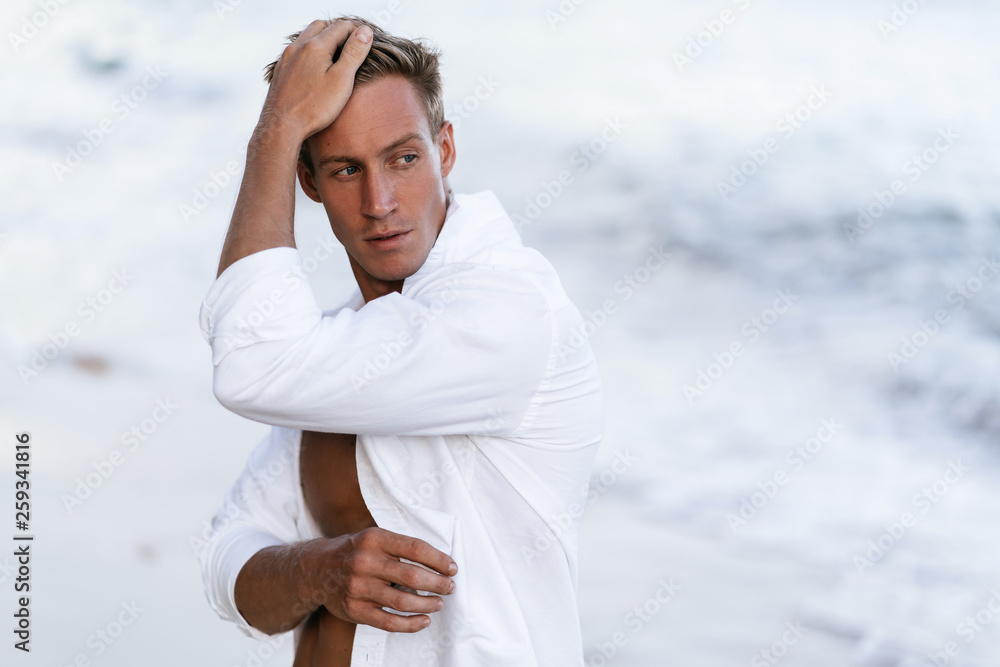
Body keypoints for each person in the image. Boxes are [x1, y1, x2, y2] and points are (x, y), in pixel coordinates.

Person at [197, 15, 604, 666]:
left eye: (403, 158)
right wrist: (316, 571)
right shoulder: (345, 348)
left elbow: (250, 360)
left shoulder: (508, 312)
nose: (380, 200)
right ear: (308, 183)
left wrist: (274, 134)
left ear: (444, 150)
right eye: (345, 170)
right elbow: (229, 561)